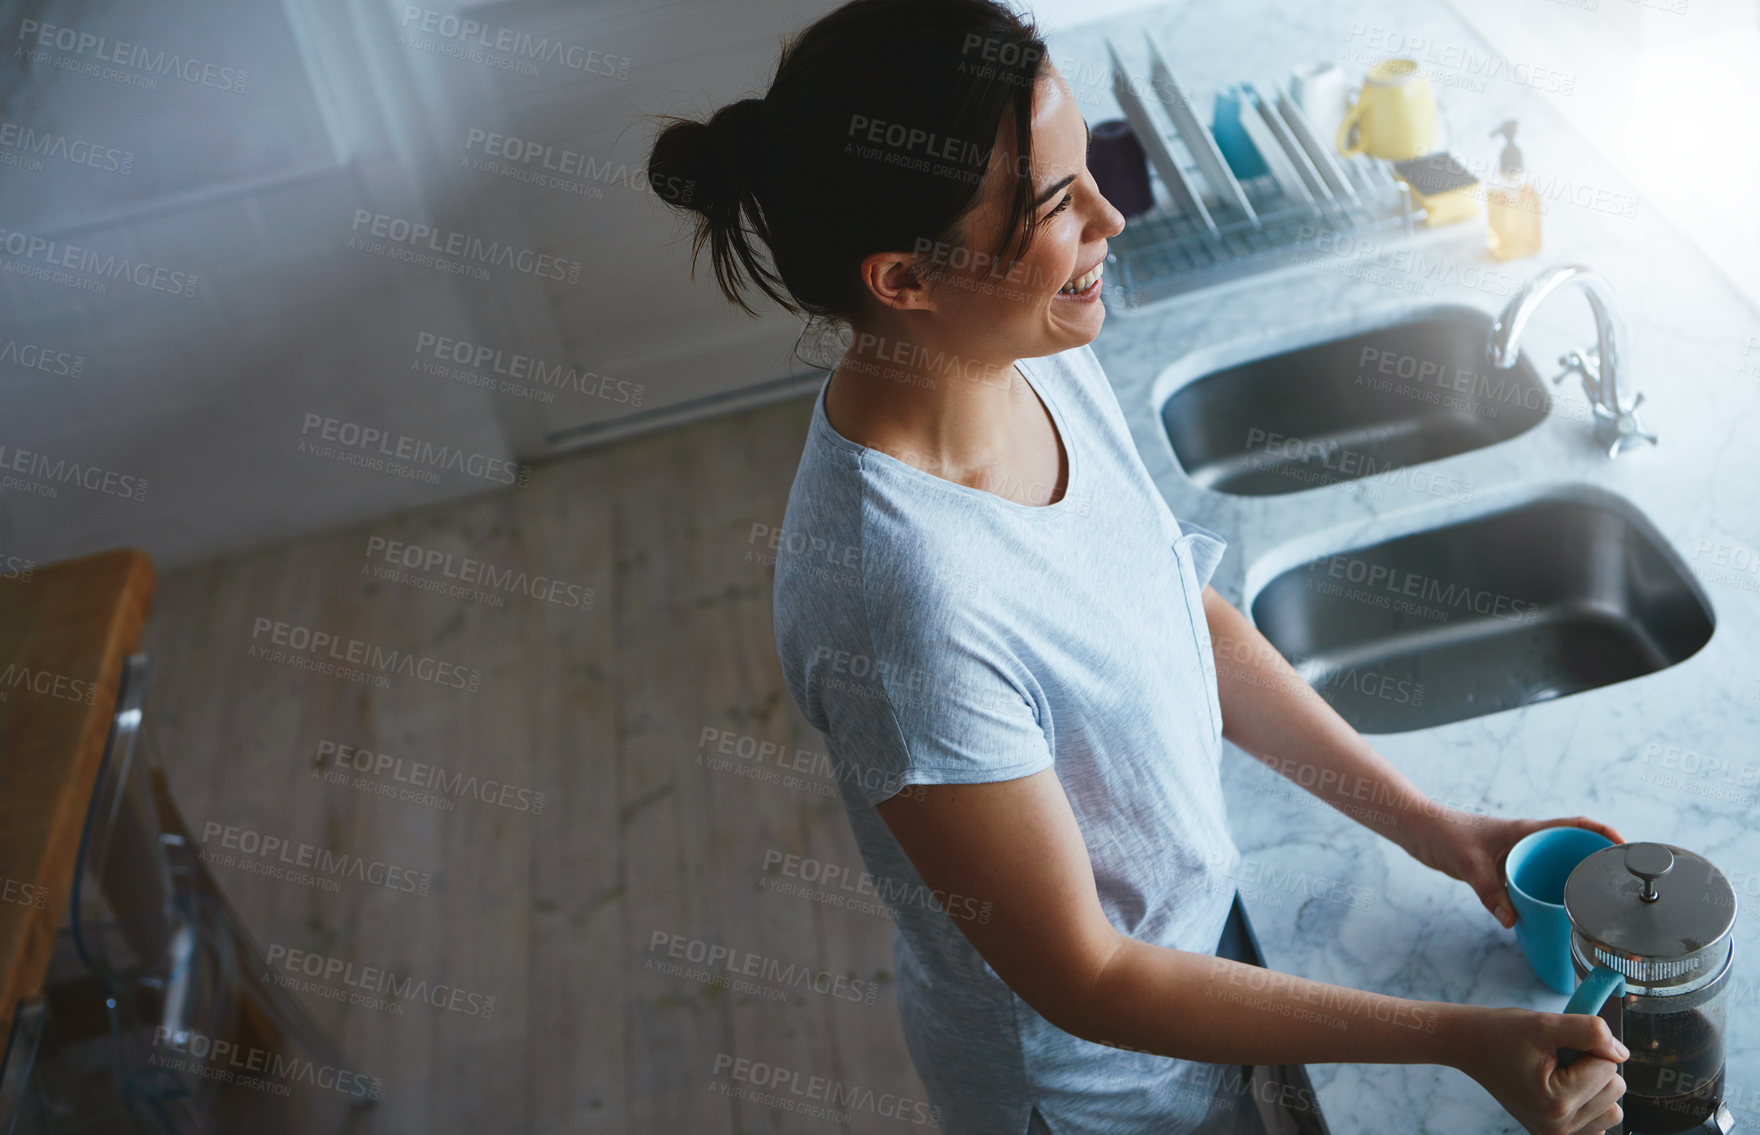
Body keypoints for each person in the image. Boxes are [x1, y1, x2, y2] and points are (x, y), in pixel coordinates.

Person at [646, 2, 1630, 1132]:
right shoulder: (894, 602)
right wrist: (1455, 1039)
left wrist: (1432, 826)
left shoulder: (1023, 355)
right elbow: (1087, 978)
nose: (1109, 217)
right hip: (1094, 1095)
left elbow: (1177, 615)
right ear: (905, 280)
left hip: (1191, 966)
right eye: (1057, 204)